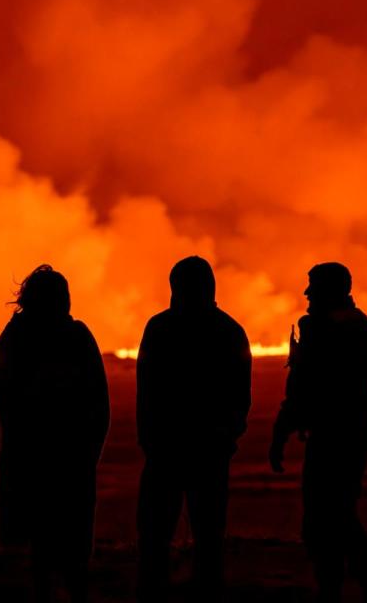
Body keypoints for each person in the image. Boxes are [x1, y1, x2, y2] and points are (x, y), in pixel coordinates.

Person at [0, 265, 110, 603]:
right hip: (69, 458)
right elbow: (99, 401)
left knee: (40, 544)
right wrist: (90, 451)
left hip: (34, 457)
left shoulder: (14, 338)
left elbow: (2, 394)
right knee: (71, 541)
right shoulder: (76, 337)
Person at [136, 256, 252, 602]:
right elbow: (240, 395)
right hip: (207, 450)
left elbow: (147, 389)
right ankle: (206, 590)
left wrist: (150, 439)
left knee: (156, 532)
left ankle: (154, 591)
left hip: (168, 448)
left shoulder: (159, 328)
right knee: (208, 532)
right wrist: (227, 436)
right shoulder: (229, 331)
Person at [268, 262, 367, 603]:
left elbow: (307, 387)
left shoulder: (331, 330)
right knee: (331, 514)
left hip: (338, 435)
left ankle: (352, 585)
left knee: (329, 516)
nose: (307, 294)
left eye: (313, 287)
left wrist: (281, 431)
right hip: (345, 432)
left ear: (330, 290)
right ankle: (350, 585)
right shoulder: (355, 327)